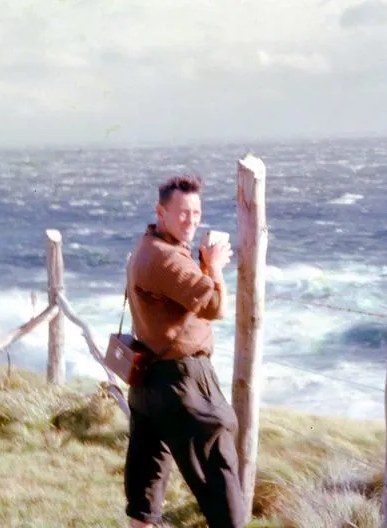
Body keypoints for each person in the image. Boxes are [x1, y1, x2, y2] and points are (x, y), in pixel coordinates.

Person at [124, 175, 245, 527]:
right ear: (161, 212)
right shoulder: (166, 258)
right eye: (182, 213)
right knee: (219, 470)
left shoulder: (147, 245)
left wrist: (202, 265)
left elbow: (181, 296)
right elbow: (215, 305)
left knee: (145, 485)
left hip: (148, 381)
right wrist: (216, 265)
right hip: (183, 381)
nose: (191, 220)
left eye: (196, 212)